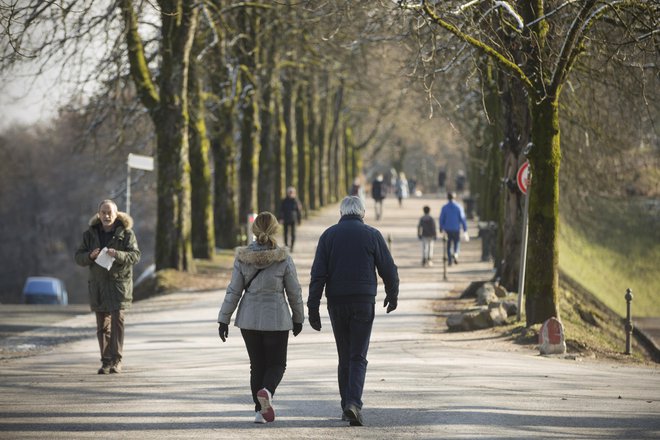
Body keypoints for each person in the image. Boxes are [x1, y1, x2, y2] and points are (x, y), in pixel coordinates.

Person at [307, 196, 399, 426]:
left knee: (344, 355)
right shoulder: (372, 234)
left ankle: (346, 405)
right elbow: (388, 268)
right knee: (358, 355)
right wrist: (392, 293)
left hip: (337, 302)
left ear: (341, 213)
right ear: (362, 213)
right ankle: (353, 403)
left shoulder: (328, 236)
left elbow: (318, 274)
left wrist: (313, 307)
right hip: (363, 301)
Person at [217, 212, 304, 424]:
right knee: (277, 364)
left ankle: (259, 412)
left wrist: (223, 319)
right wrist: (299, 317)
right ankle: (267, 391)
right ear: (276, 230)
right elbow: (294, 292)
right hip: (276, 320)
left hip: (249, 319)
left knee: (257, 365)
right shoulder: (283, 258)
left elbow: (233, 291)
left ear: (254, 231)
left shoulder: (242, 257)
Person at [74, 199, 140, 375]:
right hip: (99, 287)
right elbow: (78, 257)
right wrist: (90, 255)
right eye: (103, 212)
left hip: (119, 286)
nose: (106, 215)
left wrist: (117, 254)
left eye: (110, 212)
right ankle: (105, 362)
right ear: (98, 214)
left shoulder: (126, 233)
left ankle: (117, 361)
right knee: (102, 326)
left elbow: (135, 256)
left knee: (117, 323)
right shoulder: (89, 234)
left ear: (116, 214)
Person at [439, 192, 468, 265]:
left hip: (447, 229)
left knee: (448, 245)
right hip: (456, 228)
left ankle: (449, 260)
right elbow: (462, 218)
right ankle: (455, 254)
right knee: (456, 243)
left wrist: (441, 227)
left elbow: (441, 218)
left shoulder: (444, 207)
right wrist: (465, 229)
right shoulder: (459, 207)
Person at [278, 186, 302, 252]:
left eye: (292, 192)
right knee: (285, 233)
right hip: (285, 219)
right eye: (289, 192)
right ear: (287, 193)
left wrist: (299, 220)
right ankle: (286, 246)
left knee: (293, 234)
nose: (291, 193)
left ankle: (292, 247)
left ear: (294, 193)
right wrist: (280, 218)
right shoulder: (284, 200)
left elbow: (299, 211)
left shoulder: (296, 201)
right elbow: (281, 210)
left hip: (293, 220)